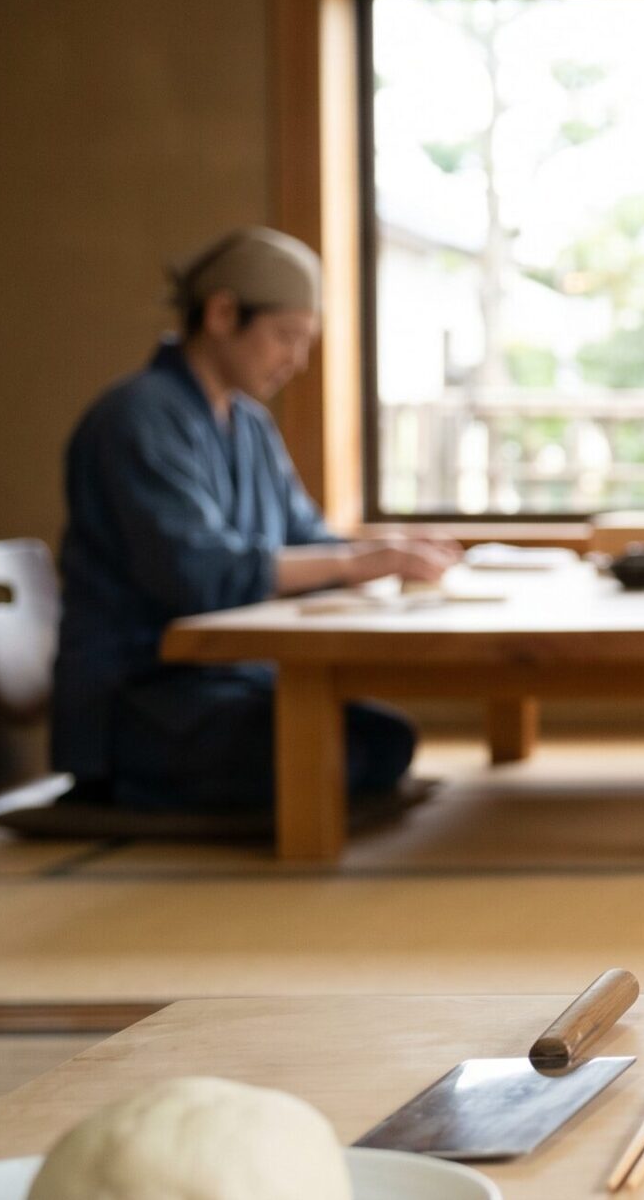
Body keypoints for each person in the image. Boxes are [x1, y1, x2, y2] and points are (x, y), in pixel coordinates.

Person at [52, 228, 457, 813]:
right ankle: (124, 782)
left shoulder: (250, 424)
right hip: (143, 695)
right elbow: (196, 574)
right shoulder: (136, 418)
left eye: (306, 341)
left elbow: (307, 539)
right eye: (286, 337)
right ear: (221, 313)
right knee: (335, 756)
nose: (297, 360)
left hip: (225, 682)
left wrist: (388, 548)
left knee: (385, 740)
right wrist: (353, 562)